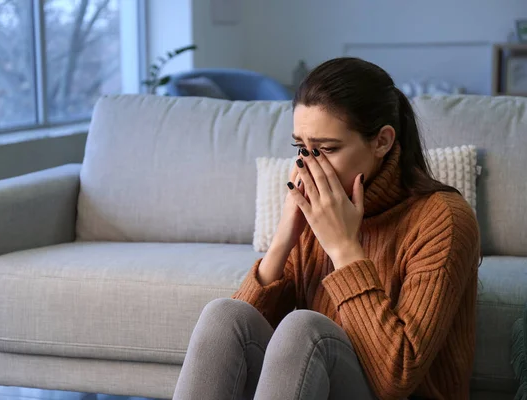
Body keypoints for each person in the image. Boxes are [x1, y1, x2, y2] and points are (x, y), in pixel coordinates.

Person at [172, 57, 480, 400]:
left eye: (327, 149)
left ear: (382, 141)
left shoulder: (443, 219)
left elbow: (397, 378)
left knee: (305, 328)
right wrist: (284, 238)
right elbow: (244, 344)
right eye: (302, 148)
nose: (309, 165)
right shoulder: (312, 211)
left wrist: (344, 248)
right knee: (224, 315)